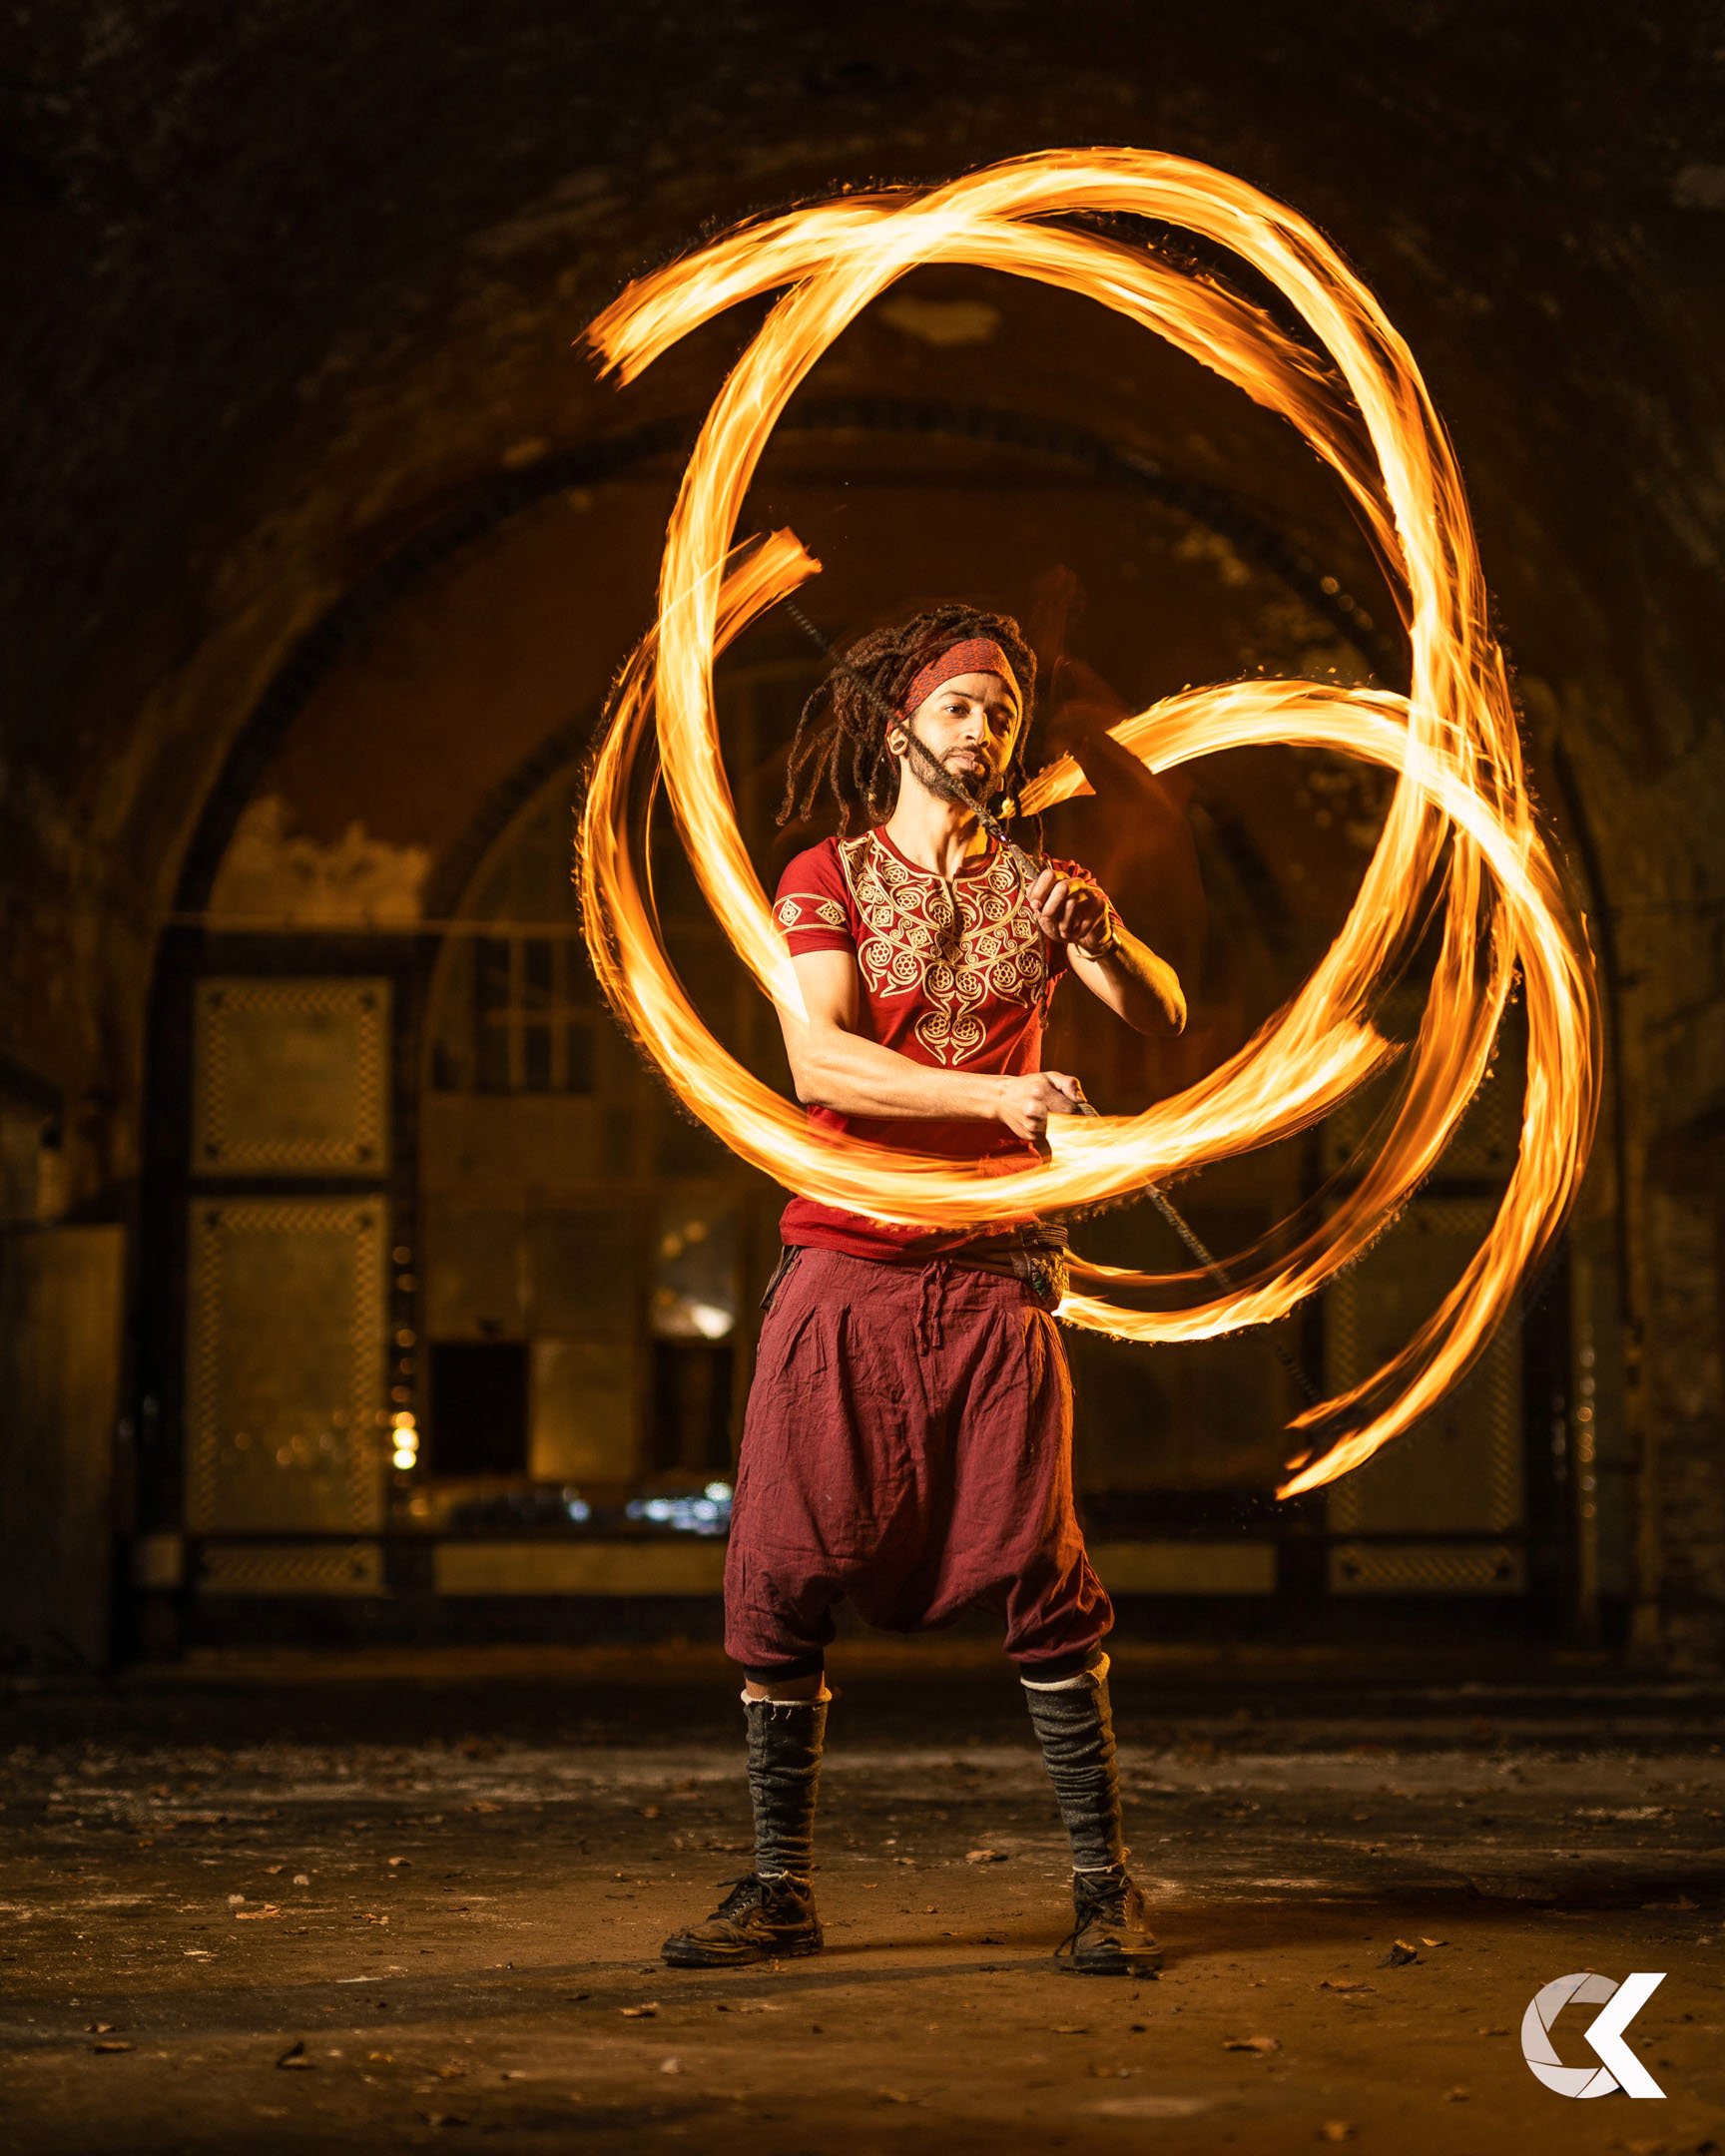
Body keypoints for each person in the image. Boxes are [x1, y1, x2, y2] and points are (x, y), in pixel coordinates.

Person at [660, 603, 1187, 1976]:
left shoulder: (1046, 885)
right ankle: (780, 1889)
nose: (982, 729)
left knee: (1045, 1578)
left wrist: (1105, 935)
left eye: (1002, 713)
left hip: (993, 1281)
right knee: (780, 1571)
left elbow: (1162, 1014)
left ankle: (1104, 1890)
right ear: (900, 725)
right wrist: (997, 1096)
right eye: (958, 705)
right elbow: (820, 1064)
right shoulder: (824, 877)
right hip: (846, 1270)